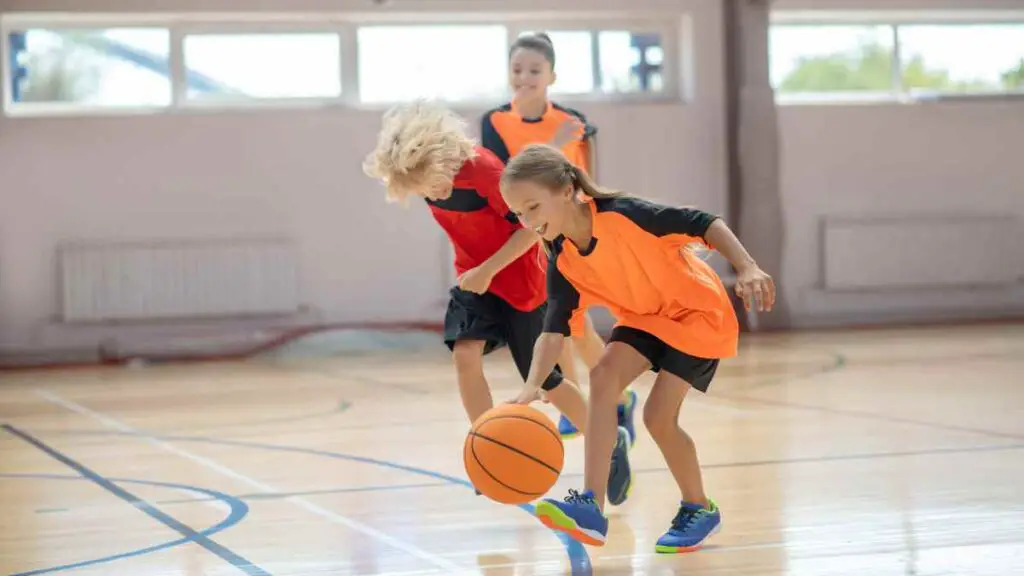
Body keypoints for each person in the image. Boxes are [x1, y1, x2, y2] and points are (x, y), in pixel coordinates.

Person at [500, 143, 775, 551]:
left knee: (658, 418)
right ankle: (590, 506)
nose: (526, 221)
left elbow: (704, 222)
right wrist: (531, 388)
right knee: (603, 375)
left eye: (532, 208)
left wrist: (747, 265)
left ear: (564, 191)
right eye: (518, 214)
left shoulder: (626, 216)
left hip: (696, 314)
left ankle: (699, 507)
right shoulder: (563, 260)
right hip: (644, 318)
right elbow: (552, 331)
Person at [361, 102, 633, 501]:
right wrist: (480, 274)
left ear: (442, 155)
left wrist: (489, 269)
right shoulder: (425, 178)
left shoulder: (486, 171)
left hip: (522, 283)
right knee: (464, 355)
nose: (431, 193)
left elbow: (531, 232)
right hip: (475, 281)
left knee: (546, 384)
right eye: (422, 189)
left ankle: (610, 441)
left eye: (431, 184)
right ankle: (487, 446)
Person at [480, 31, 637, 444]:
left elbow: (588, 182)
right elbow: (506, 177)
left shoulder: (573, 123)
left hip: (568, 235)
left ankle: (608, 399)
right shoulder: (495, 121)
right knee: (563, 323)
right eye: (517, 69)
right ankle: (597, 400)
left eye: (535, 69)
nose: (524, 76)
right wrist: (551, 145)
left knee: (572, 324)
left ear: (552, 74)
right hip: (527, 235)